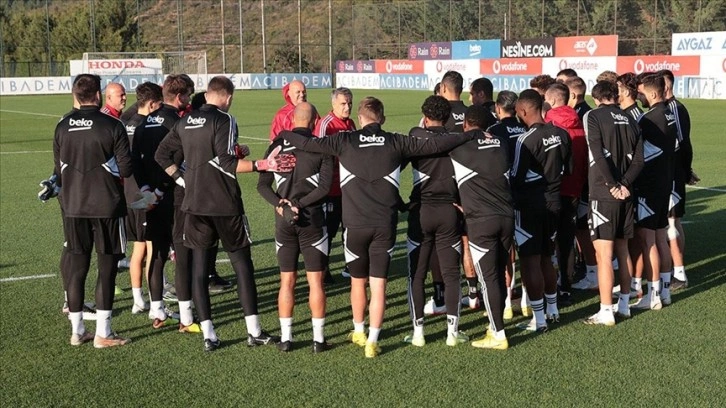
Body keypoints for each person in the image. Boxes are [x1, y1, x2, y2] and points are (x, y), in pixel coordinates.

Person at [283, 96, 475, 358]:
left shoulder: (344, 140)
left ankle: (359, 331)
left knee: (357, 282)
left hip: (354, 224)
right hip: (385, 224)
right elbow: (437, 143)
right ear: (382, 118)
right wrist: (469, 135)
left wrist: (283, 134)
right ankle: (373, 341)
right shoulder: (396, 141)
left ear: (360, 118)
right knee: (379, 285)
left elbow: (307, 143)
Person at [155, 76, 295, 352]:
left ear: (207, 94)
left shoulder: (186, 120)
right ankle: (254, 331)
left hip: (194, 205)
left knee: (199, 269)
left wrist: (182, 180)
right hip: (224, 204)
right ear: (228, 97)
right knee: (242, 265)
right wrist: (263, 164)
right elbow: (227, 162)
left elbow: (162, 155)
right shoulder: (224, 120)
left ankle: (209, 335)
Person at [53, 74, 132, 348]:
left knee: (77, 268)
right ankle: (103, 333)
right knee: (107, 269)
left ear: (76, 95)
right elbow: (126, 169)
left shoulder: (62, 125)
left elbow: (58, 172)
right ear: (98, 95)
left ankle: (77, 331)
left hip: (73, 206)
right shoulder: (112, 125)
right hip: (107, 206)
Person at [258, 102, 334, 353]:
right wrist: (299, 204)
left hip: (284, 220)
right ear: (314, 121)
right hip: (312, 220)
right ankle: (318, 340)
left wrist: (281, 204)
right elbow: (324, 188)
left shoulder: (276, 145)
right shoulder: (321, 147)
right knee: (315, 282)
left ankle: (286, 338)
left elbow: (262, 186)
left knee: (287, 281)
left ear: (292, 120)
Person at [404, 95, 468, 347]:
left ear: (425, 117)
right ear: (448, 117)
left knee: (417, 275)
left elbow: (416, 135)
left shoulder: (416, 136)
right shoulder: (457, 140)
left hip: (421, 212)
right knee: (452, 274)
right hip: (449, 212)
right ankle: (452, 333)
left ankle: (418, 333)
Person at [450, 105, 514, 350]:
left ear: (465, 124)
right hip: (506, 217)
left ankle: (498, 334)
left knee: (488, 279)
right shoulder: (502, 144)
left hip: (480, 221)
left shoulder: (459, 148)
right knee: (499, 272)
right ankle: (496, 326)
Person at [132, 74, 193, 329]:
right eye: (188, 95)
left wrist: (147, 189)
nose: (189, 99)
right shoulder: (178, 122)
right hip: (174, 195)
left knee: (156, 252)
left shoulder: (143, 123)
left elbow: (135, 160)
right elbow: (176, 160)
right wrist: (160, 190)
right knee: (182, 253)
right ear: (179, 97)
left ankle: (157, 309)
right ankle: (186, 316)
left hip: (150, 198)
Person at [582, 80, 644, 325]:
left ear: (596, 98)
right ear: (616, 96)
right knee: (623, 249)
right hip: (627, 194)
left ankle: (606, 310)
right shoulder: (631, 118)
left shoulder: (593, 116)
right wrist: (625, 184)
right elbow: (639, 161)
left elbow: (597, 154)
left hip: (603, 192)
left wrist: (612, 185)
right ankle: (625, 305)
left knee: (604, 255)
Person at [511, 89, 570, 333]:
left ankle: (539, 319)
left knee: (530, 261)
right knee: (547, 256)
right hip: (555, 202)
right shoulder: (562, 134)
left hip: (530, 206)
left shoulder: (525, 140)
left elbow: (515, 178)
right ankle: (552, 310)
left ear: (524, 111)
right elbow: (568, 169)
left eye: (518, 112)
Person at [630, 74, 678, 311]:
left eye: (641, 93)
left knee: (648, 240)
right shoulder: (669, 114)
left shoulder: (648, 119)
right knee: (660, 237)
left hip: (649, 187)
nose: (639, 96)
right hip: (664, 183)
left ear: (652, 94)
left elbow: (641, 154)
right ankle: (665, 292)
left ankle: (653, 295)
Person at [543, 83, 587, 306]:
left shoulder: (549, 124)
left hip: (551, 191)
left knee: (545, 242)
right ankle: (566, 287)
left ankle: (546, 290)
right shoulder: (580, 123)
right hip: (574, 189)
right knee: (567, 240)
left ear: (551, 101)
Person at [486, 90, 529, 319]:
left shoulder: (494, 130)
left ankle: (506, 302)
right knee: (526, 248)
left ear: (497, 107)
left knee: (506, 250)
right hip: (527, 193)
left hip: (503, 195)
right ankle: (526, 300)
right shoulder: (526, 128)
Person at [123, 82, 163, 316]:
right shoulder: (147, 126)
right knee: (150, 249)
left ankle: (139, 299)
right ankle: (153, 301)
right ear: (152, 104)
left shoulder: (126, 123)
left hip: (128, 192)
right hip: (144, 194)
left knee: (140, 247)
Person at [659, 69, 698, 290]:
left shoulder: (674, 108)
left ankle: (679, 272)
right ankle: (675, 268)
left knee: (673, 221)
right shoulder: (667, 108)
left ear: (667, 85)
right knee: (672, 221)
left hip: (674, 173)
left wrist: (685, 170)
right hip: (670, 172)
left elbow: (684, 143)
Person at [314, 87, 357, 282]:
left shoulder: (351, 124)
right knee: (329, 230)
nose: (347, 107)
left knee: (350, 227)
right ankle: (323, 269)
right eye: (343, 103)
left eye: (349, 103)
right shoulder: (326, 124)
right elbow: (318, 153)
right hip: (330, 189)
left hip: (349, 188)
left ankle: (350, 265)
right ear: (333, 104)